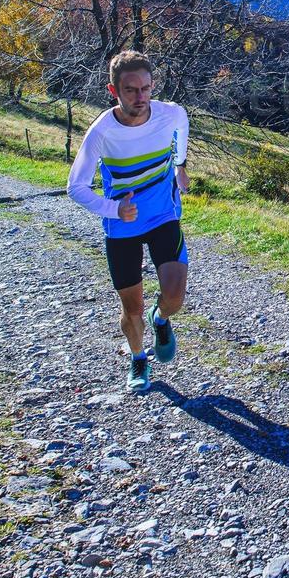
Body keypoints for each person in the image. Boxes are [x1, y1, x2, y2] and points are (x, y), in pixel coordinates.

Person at [68, 50, 191, 391]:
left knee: (175, 296)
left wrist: (179, 165)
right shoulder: (101, 132)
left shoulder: (170, 114)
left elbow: (181, 128)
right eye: (131, 90)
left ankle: (161, 318)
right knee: (131, 308)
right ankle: (138, 359)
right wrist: (113, 210)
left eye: (147, 88)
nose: (141, 97)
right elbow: (75, 187)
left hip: (163, 214)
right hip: (122, 225)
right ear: (114, 92)